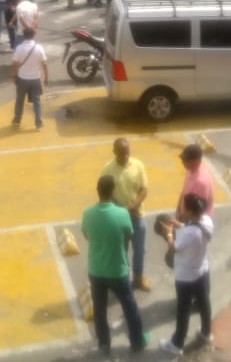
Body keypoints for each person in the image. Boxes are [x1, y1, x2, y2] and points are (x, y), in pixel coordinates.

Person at [80, 175, 149, 354]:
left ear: (97, 191)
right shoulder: (122, 214)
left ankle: (104, 343)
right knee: (129, 306)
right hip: (117, 270)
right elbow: (127, 236)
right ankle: (137, 341)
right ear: (113, 191)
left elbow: (87, 236)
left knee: (100, 309)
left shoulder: (87, 213)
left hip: (96, 270)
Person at [158, 192, 214, 355]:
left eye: (184, 206)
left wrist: (169, 232)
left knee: (183, 309)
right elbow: (194, 228)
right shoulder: (206, 222)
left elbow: (173, 247)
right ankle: (206, 332)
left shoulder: (188, 234)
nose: (181, 208)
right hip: (202, 271)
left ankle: (177, 343)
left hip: (186, 277)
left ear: (190, 211)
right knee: (204, 302)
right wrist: (179, 225)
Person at [102, 138, 150, 292]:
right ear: (114, 152)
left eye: (127, 153)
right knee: (121, 251)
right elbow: (105, 195)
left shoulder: (138, 165)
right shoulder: (108, 170)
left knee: (139, 249)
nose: (124, 156)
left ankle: (138, 278)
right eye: (121, 153)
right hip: (118, 219)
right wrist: (122, 211)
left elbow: (144, 189)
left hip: (138, 216)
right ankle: (123, 280)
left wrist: (134, 205)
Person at [10, 28, 47, 130]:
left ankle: (17, 120)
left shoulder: (19, 48)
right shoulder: (39, 48)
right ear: (33, 34)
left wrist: (13, 76)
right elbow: (44, 64)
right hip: (35, 79)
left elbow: (14, 64)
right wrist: (46, 77)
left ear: (24, 35)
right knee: (37, 102)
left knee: (20, 100)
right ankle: (38, 123)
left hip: (22, 79)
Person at [176, 143, 214, 220]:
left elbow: (197, 212)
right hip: (186, 214)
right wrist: (178, 209)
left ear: (196, 161)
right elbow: (184, 191)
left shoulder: (200, 182)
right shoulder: (190, 170)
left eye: (185, 160)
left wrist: (182, 221)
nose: (182, 162)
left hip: (194, 222)